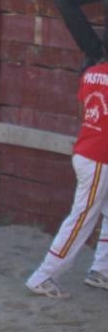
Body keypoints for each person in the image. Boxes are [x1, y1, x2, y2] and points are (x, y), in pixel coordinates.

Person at [23, 56, 108, 297]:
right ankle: (44, 275)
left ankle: (101, 270)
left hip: (88, 151)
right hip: (100, 158)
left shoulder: (91, 73)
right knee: (82, 217)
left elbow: (83, 113)